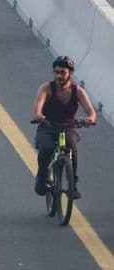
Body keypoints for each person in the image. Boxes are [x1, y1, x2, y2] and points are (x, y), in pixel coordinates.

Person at [31, 56, 96, 199]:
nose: (58, 76)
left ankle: (73, 185)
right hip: (48, 126)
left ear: (70, 73)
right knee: (47, 148)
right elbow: (37, 110)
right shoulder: (46, 88)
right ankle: (42, 177)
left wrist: (89, 119)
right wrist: (39, 116)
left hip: (68, 127)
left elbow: (91, 112)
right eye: (56, 72)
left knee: (71, 147)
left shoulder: (78, 91)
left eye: (62, 73)